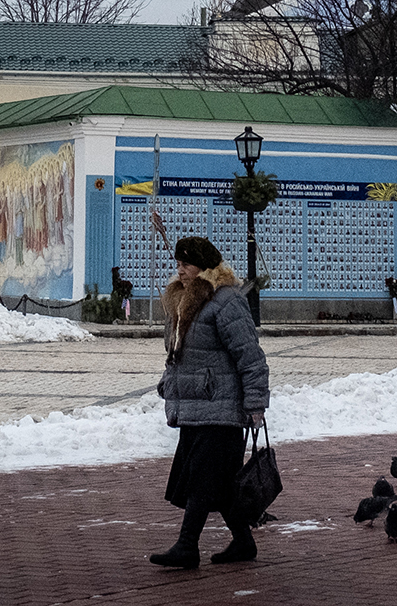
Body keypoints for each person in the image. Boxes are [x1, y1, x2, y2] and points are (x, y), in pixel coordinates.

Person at [149, 236, 270, 569]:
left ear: (203, 267)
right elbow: (180, 354)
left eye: (186, 264)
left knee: (202, 481)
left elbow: (250, 356)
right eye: (178, 264)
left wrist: (256, 401)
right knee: (221, 483)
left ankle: (187, 547)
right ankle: (244, 543)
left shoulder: (226, 301)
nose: (180, 270)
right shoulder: (181, 299)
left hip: (221, 407)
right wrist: (168, 383)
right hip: (194, 406)